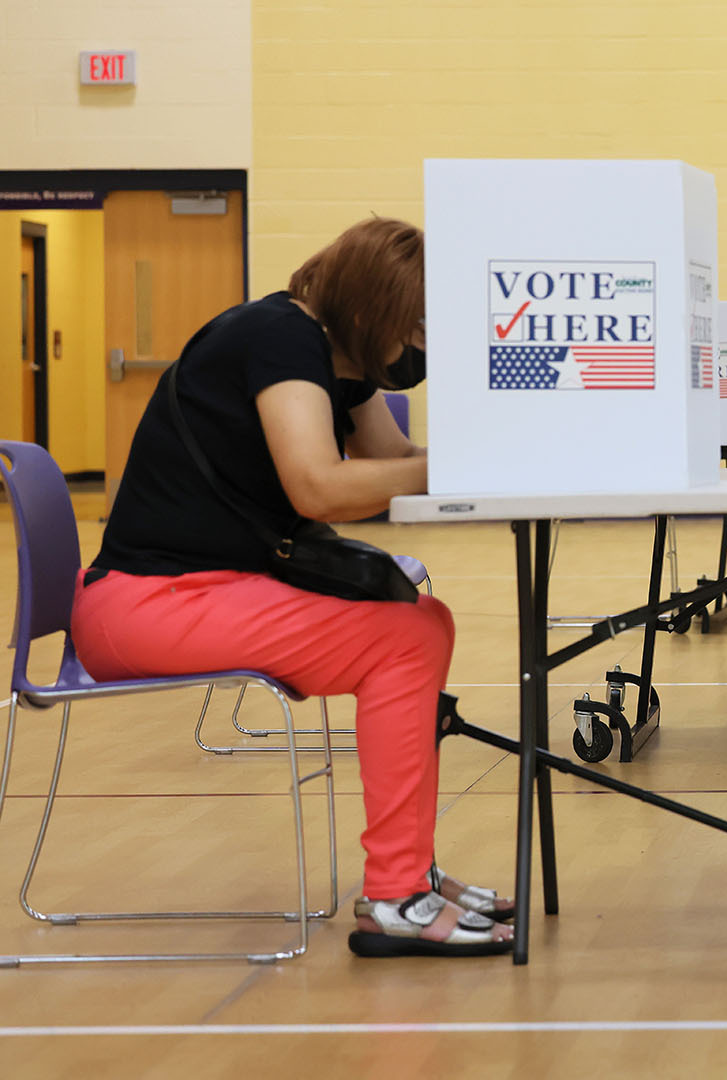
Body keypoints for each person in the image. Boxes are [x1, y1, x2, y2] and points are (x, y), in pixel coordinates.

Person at [70, 217, 514, 958]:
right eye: (414, 326)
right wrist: (467, 461)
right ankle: (397, 893)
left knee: (420, 621)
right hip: (148, 603)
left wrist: (494, 449)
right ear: (370, 312)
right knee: (409, 636)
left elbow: (393, 459)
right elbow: (318, 488)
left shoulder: (334, 355)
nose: (422, 347)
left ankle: (409, 874)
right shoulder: (278, 339)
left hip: (197, 591)